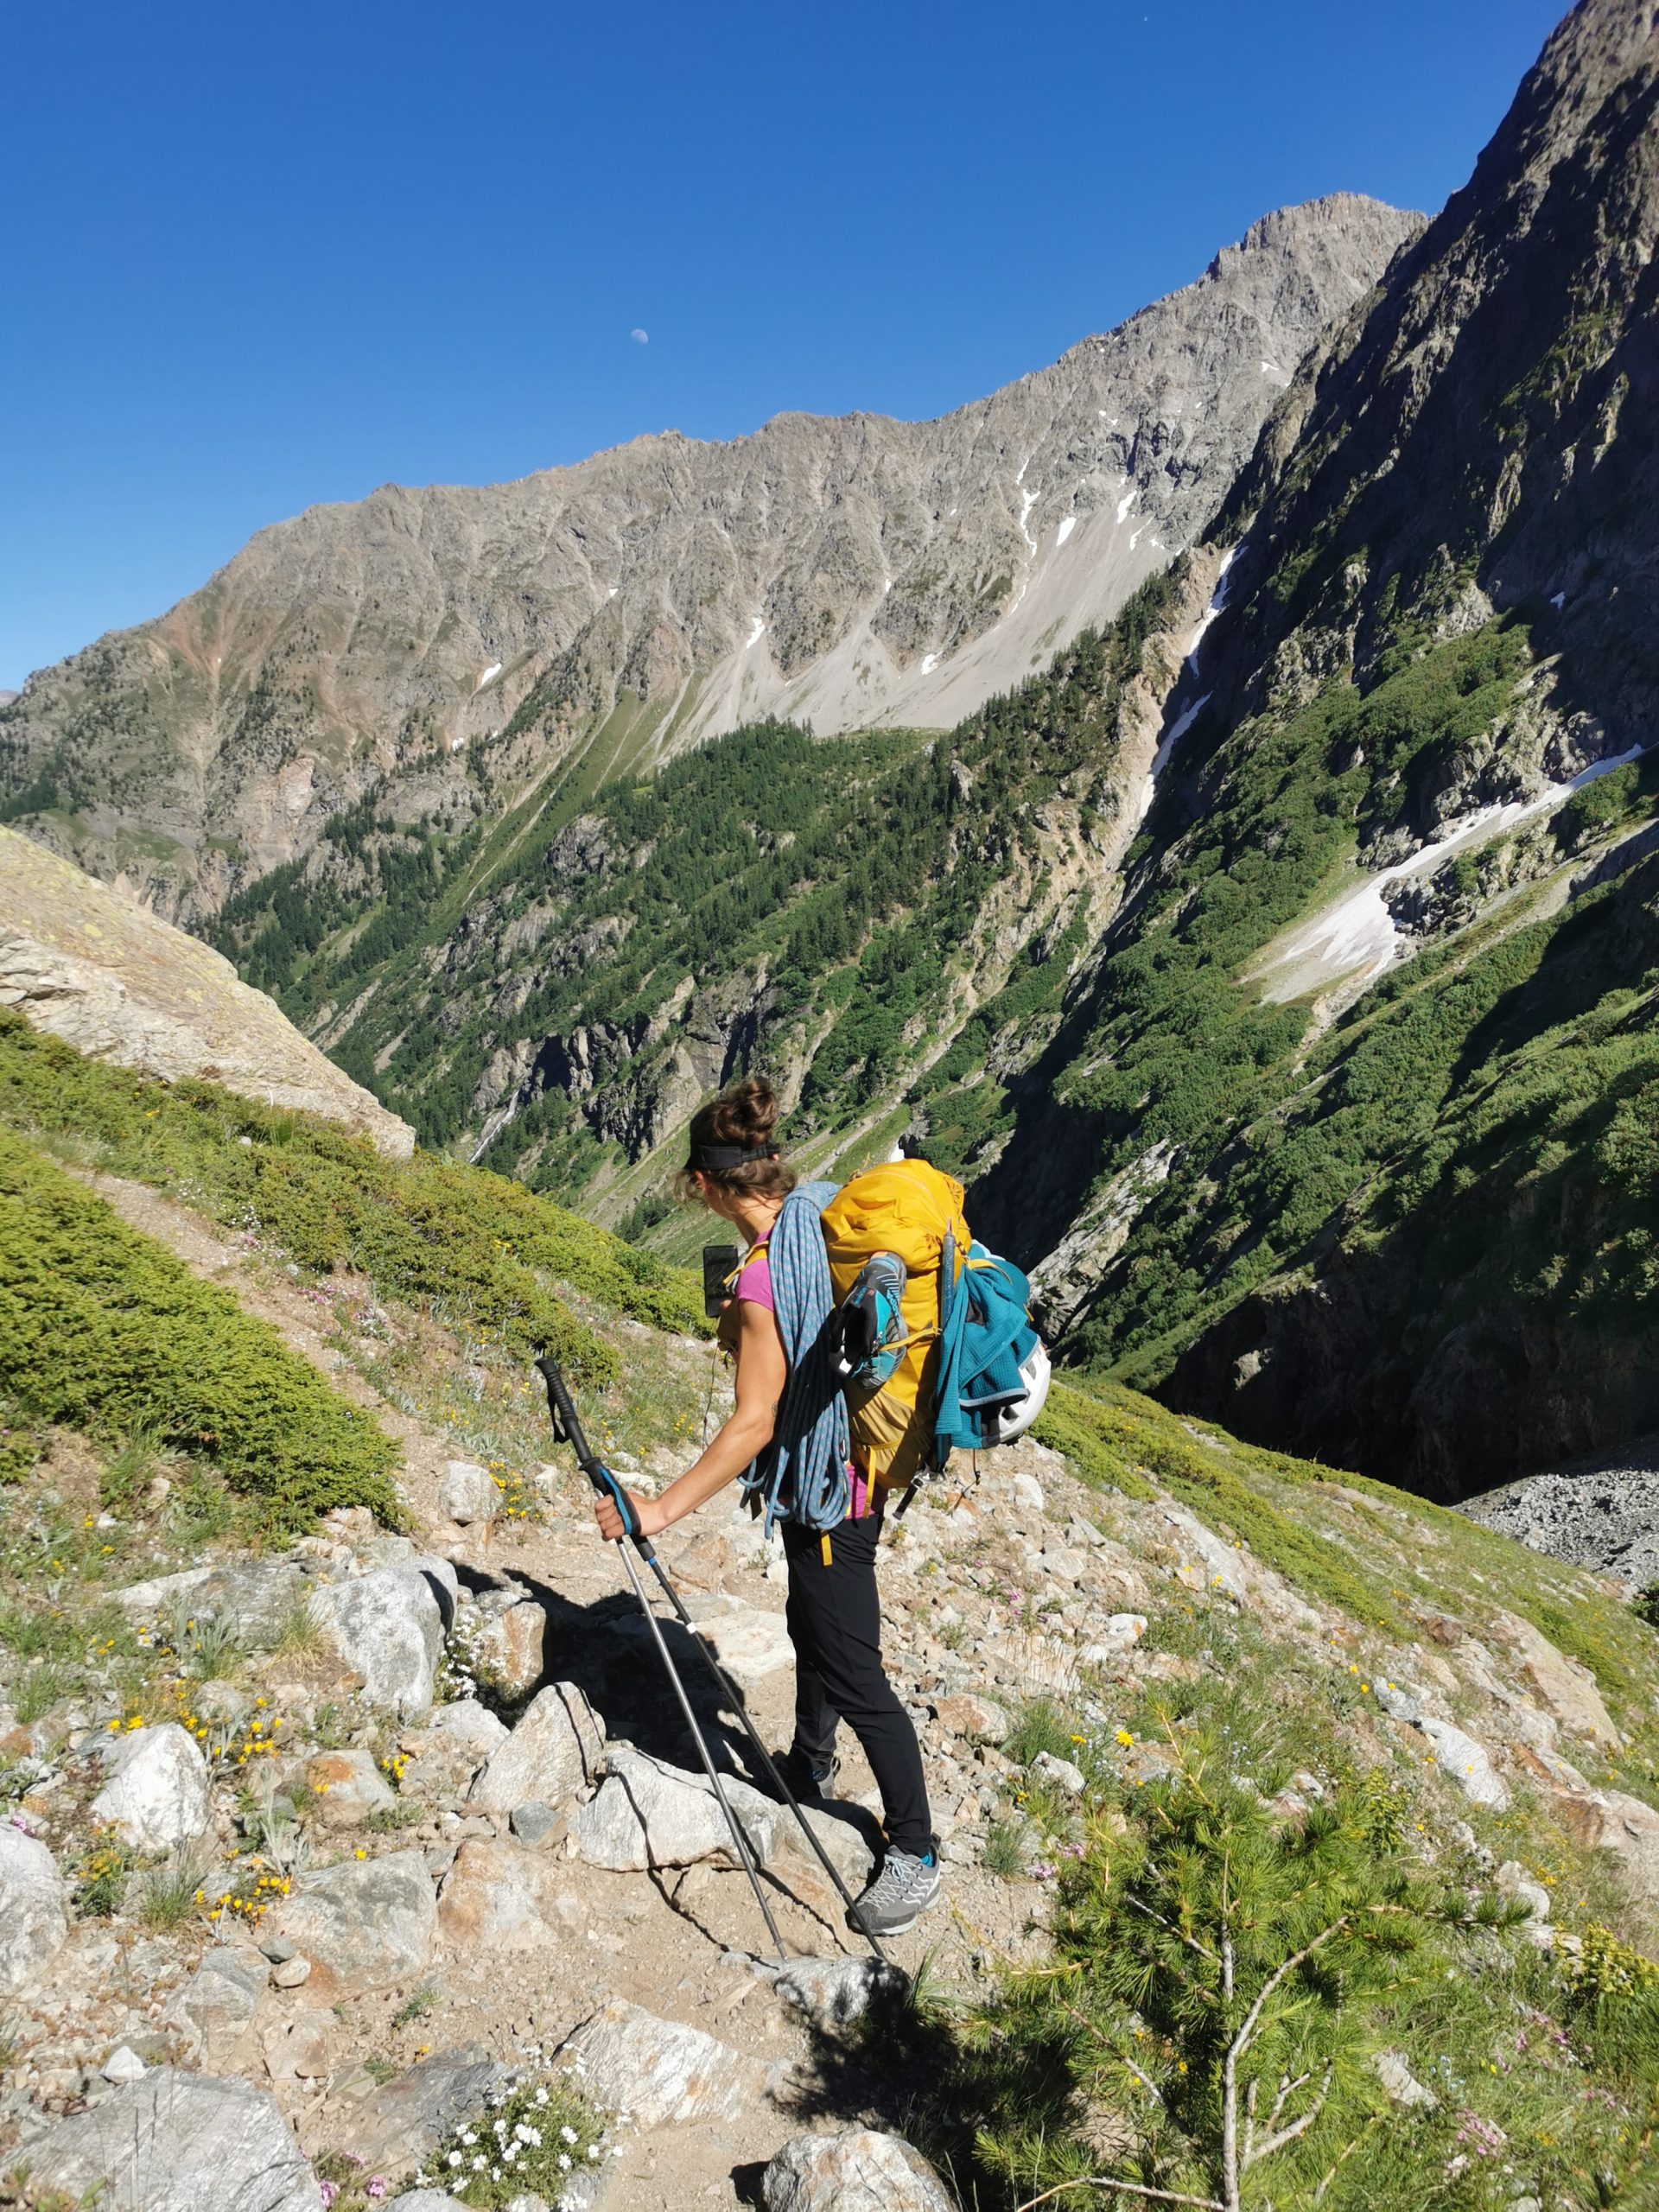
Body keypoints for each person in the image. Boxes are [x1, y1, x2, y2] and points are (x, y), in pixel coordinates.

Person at [592, 1077, 942, 1938]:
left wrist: (659, 1510)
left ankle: (918, 1849)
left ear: (705, 1187)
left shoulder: (756, 1282)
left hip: (827, 1492)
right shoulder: (825, 1217)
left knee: (856, 1668)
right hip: (854, 1470)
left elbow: (754, 1422)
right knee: (808, 1622)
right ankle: (808, 1764)